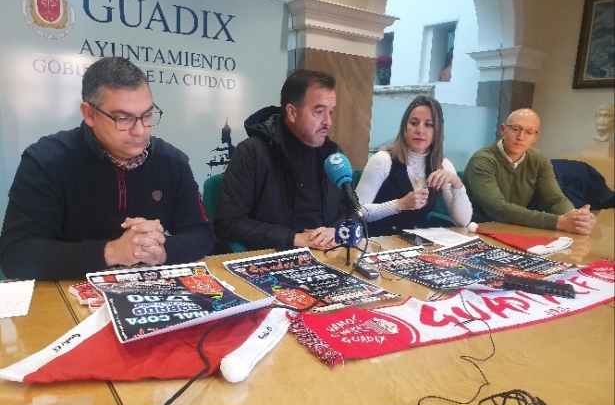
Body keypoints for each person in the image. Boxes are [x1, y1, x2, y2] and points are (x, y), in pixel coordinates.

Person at [0, 57, 215, 280]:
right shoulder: (46, 161)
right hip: (67, 293)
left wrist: (161, 251)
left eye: (147, 115)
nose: (140, 131)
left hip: (148, 290)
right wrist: (112, 252)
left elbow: (201, 234)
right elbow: (16, 254)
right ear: (89, 114)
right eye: (123, 118)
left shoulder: (172, 161)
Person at [214, 69, 344, 251]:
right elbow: (228, 223)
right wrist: (295, 238)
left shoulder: (333, 154)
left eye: (330, 112)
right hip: (274, 256)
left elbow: (352, 210)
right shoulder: (253, 151)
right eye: (319, 111)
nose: (328, 122)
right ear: (292, 113)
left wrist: (335, 231)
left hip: (329, 254)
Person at [463, 108, 596, 234]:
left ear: (535, 137)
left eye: (529, 132)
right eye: (515, 129)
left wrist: (575, 218)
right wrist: (559, 222)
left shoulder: (538, 159)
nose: (521, 137)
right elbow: (497, 207)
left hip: (517, 227)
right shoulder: (483, 159)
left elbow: (554, 200)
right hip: (479, 228)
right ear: (503, 129)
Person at [356, 95, 472, 237]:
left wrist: (456, 183)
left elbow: (464, 221)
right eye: (414, 123)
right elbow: (357, 212)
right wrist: (399, 205)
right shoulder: (382, 160)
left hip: (418, 246)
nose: (420, 130)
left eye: (429, 125)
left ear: (437, 132)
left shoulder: (442, 164)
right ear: (405, 128)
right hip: (379, 244)